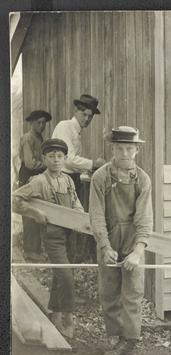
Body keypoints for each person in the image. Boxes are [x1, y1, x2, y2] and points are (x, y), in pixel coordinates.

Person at [89, 126, 153, 355]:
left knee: (133, 294)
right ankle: (115, 342)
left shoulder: (143, 180)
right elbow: (96, 216)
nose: (124, 153)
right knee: (109, 292)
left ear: (136, 150)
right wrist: (104, 246)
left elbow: (145, 219)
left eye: (129, 148)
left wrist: (138, 250)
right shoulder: (101, 178)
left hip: (133, 239)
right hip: (109, 237)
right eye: (119, 148)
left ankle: (130, 348)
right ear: (112, 149)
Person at [13, 138, 84, 338]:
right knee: (67, 277)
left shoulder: (68, 180)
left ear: (65, 159)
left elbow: (76, 203)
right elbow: (14, 200)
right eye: (51, 156)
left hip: (71, 234)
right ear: (44, 158)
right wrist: (34, 212)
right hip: (53, 237)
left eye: (59, 156)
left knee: (60, 275)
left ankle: (54, 313)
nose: (55, 160)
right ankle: (69, 317)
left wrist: (79, 215)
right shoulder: (39, 181)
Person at [52, 94, 106, 265]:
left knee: (73, 219)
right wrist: (93, 164)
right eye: (85, 115)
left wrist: (86, 173)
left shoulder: (77, 132)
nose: (87, 119)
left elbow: (73, 163)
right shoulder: (64, 127)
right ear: (76, 111)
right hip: (60, 179)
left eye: (90, 116)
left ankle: (70, 259)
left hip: (71, 178)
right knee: (63, 221)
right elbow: (67, 160)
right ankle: (62, 261)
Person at [18, 110, 52, 262]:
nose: (42, 125)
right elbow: (30, 163)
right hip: (27, 177)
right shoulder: (28, 138)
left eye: (44, 122)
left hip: (36, 177)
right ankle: (30, 251)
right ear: (31, 123)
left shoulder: (39, 138)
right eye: (38, 122)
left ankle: (34, 249)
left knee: (37, 210)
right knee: (29, 213)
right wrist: (48, 165)